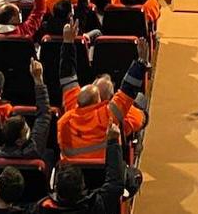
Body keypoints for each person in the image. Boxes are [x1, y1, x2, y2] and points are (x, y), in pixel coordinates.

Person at [57, 20, 149, 161]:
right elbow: (127, 91)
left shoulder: (67, 116)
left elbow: (67, 77)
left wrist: (68, 42)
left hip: (72, 176)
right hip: (105, 175)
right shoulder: (108, 116)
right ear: (100, 101)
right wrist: (141, 62)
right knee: (141, 100)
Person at [39, 123, 126, 214]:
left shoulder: (43, 208)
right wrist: (113, 141)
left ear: (55, 187)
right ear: (83, 186)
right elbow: (115, 182)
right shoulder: (95, 205)